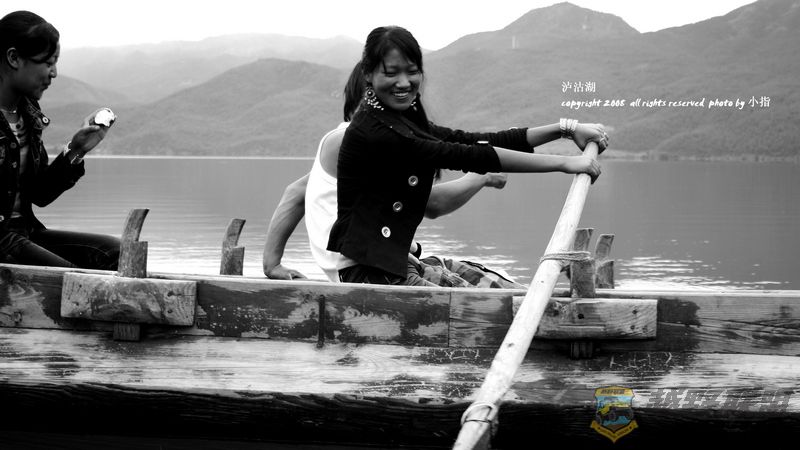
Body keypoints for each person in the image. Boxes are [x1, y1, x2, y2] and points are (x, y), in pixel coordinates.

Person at [327, 26, 606, 286]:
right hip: (371, 275)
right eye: (391, 73)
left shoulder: (400, 120)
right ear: (368, 74)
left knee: (501, 290)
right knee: (484, 309)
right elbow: (469, 155)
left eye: (412, 72)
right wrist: (565, 162)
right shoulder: (376, 131)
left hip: (396, 262)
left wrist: (565, 129)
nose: (404, 83)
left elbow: (475, 141)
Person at [264, 63, 523, 287]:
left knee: (498, 284)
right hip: (367, 272)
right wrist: (480, 177)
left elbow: (297, 192)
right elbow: (431, 204)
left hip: (393, 262)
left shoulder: (350, 144)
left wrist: (272, 264)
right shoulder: (355, 140)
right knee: (490, 305)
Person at [0, 11, 119, 269]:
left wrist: (76, 150)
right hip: (2, 239)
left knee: (115, 252)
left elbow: (40, 194)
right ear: (14, 58)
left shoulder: (28, 115)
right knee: (75, 280)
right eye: (48, 62)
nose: (54, 73)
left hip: (25, 231)